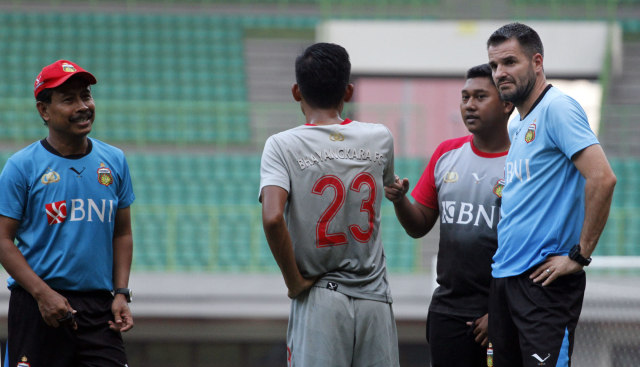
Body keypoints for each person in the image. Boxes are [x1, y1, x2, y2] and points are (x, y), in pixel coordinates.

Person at [259, 43, 400, 367]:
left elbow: (272, 218)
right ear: (348, 91)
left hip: (320, 296)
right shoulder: (380, 137)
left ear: (297, 91)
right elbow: (390, 183)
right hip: (375, 297)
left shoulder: (282, 145)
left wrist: (294, 282)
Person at [486, 23, 617, 367]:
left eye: (510, 62)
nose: (500, 73)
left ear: (537, 62)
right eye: (495, 66)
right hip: (506, 279)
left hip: (543, 284)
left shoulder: (559, 108)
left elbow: (603, 179)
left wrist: (580, 254)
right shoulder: (517, 123)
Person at [0, 60, 135, 366]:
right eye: (69, 99)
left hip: (99, 308)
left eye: (86, 96)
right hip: (38, 304)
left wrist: (121, 293)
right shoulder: (21, 167)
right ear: (43, 111)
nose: (83, 106)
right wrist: (42, 294)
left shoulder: (114, 161)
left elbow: (122, 232)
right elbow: (3, 240)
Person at [384, 63, 513, 367]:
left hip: (500, 314)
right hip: (447, 311)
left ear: (507, 104)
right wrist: (401, 201)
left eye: (480, 96)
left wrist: (501, 314)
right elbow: (419, 226)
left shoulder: (523, 163)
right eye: (465, 97)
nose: (469, 105)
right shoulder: (446, 154)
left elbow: (533, 248)